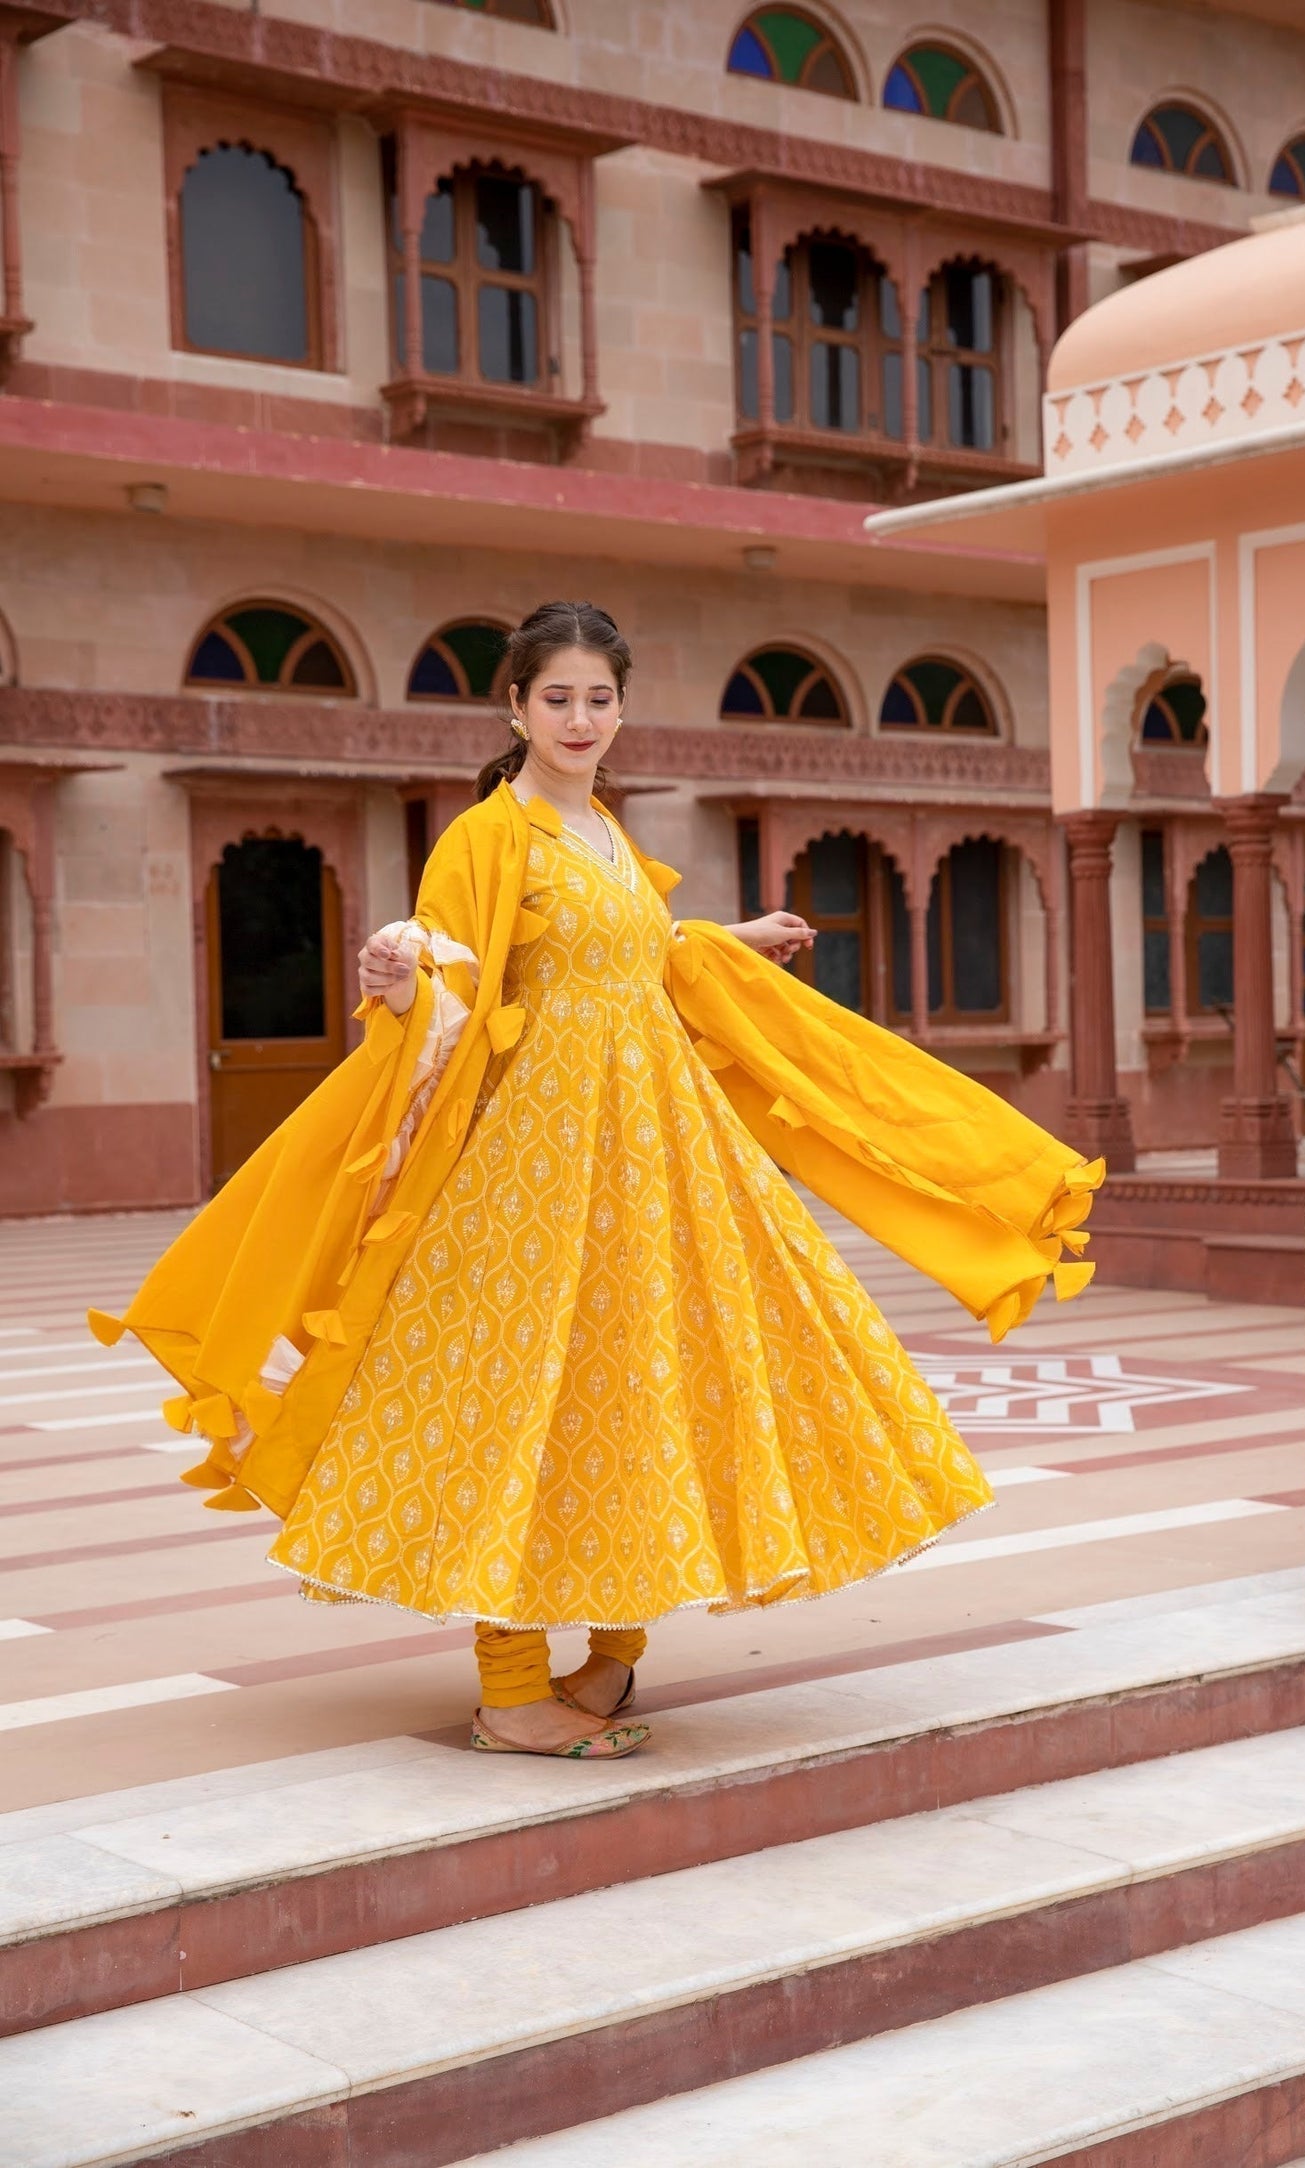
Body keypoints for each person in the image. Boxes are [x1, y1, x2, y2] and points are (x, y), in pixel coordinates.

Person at [91, 600, 1101, 1762]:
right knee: (514, 1402)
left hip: (658, 1158)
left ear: (621, 707)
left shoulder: (611, 833)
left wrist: (719, 944)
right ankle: (511, 1685)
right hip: (534, 1170)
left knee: (648, 1384)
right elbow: (451, 955)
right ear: (514, 705)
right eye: (556, 697)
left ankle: (611, 1654)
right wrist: (401, 968)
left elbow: (632, 961)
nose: (579, 718)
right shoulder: (487, 832)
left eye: (599, 698)